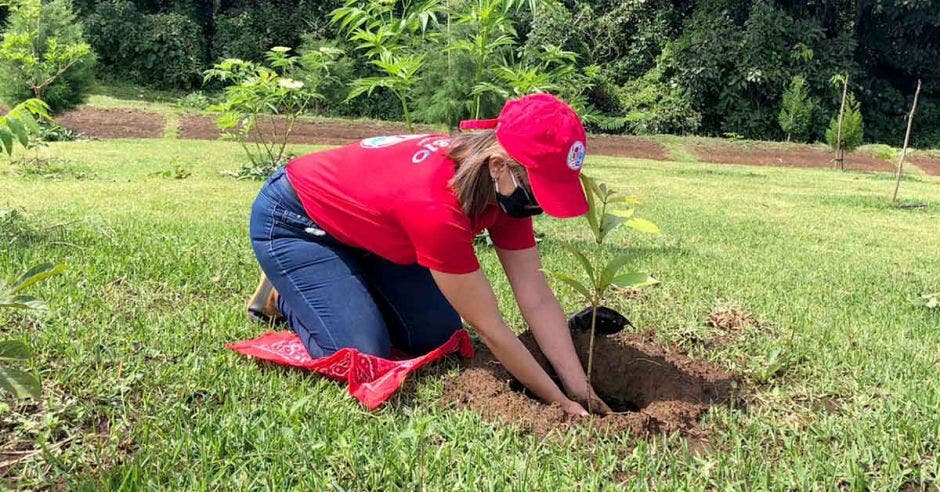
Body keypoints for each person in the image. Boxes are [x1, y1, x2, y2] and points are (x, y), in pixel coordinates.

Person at [247, 93, 612, 416]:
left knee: (437, 334)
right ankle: (285, 294)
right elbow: (491, 326)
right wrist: (559, 402)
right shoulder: (436, 205)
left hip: (373, 236)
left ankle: (346, 281)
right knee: (364, 352)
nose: (540, 204)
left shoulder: (506, 193)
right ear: (498, 165)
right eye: (539, 189)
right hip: (296, 221)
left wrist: (578, 385)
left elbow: (535, 296)